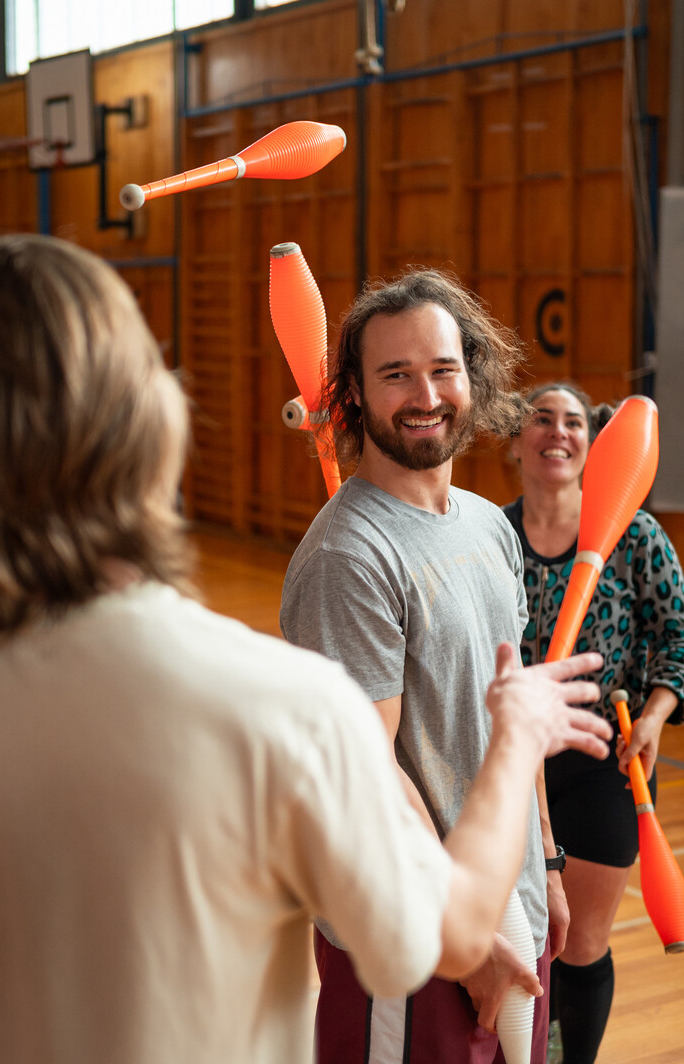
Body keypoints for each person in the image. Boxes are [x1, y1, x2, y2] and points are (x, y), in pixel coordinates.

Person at [0, 235, 615, 1064]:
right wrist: (517, 737)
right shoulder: (272, 704)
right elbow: (450, 930)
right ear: (147, 426)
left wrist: (540, 856)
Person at [281, 268, 571, 1064]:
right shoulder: (349, 557)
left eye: (442, 369)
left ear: (471, 375)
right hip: (410, 938)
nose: (425, 394)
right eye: (395, 374)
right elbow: (368, 773)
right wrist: (461, 939)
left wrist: (543, 861)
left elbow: (512, 718)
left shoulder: (488, 527)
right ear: (355, 395)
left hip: (506, 906)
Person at [504, 381, 684, 1064]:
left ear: (591, 446)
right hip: (507, 760)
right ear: (516, 441)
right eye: (541, 420)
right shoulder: (490, 536)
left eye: (572, 424)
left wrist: (654, 715)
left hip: (604, 756)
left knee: (579, 942)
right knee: (513, 936)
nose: (557, 434)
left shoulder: (635, 535)